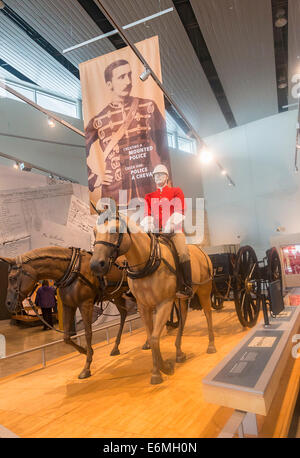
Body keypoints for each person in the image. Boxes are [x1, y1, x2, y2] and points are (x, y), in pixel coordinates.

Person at [85, 59, 169, 204]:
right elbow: (82, 146)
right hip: (115, 189)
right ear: (109, 84)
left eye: (129, 75)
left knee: (152, 223)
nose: (128, 81)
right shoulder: (99, 120)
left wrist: (164, 174)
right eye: (121, 77)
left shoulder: (148, 106)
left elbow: (163, 144)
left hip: (146, 183)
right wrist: (93, 178)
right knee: (116, 225)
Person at [141, 164, 193, 299]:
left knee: (182, 253)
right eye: (156, 175)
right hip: (156, 233)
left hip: (173, 231)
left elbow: (180, 210)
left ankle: (187, 286)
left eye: (161, 175)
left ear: (166, 177)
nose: (158, 177)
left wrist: (170, 224)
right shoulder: (149, 196)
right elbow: (147, 213)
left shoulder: (176, 191)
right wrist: (148, 225)